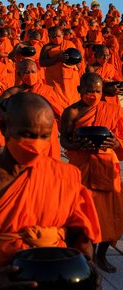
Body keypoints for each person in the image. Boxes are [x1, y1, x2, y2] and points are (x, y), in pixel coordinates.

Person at [0, 92, 101, 289]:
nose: (36, 146)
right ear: (4, 127)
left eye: (44, 136)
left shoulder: (65, 175)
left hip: (58, 279)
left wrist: (88, 267)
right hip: (0, 282)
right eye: (27, 135)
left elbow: (79, 234)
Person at [60, 72, 123, 272]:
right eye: (88, 91)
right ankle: (90, 256)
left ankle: (103, 255)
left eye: (97, 91)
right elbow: (64, 140)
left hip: (106, 166)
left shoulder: (112, 109)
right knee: (86, 215)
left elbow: (120, 136)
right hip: (82, 167)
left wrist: (116, 142)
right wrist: (77, 144)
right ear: (79, 91)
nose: (93, 95)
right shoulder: (71, 112)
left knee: (110, 216)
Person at [0, 58, 67, 159]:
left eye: (33, 72)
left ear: (38, 72)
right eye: (26, 72)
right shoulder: (15, 91)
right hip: (25, 133)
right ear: (19, 74)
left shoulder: (47, 90)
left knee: (49, 164)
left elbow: (61, 112)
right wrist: (8, 116)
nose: (30, 75)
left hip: (46, 132)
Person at [40, 26, 81, 104]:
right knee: (57, 100)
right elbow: (42, 63)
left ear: (62, 34)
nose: (56, 38)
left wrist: (76, 60)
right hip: (55, 79)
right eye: (53, 37)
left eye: (58, 36)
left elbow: (77, 58)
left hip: (70, 77)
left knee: (73, 99)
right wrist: (57, 58)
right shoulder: (47, 47)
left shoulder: (69, 44)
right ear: (49, 37)